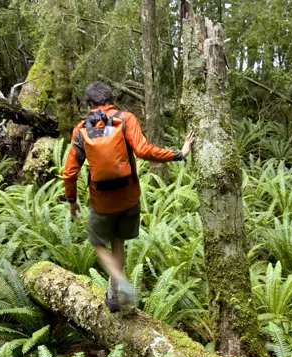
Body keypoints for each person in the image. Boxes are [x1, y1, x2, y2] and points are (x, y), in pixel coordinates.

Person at [63, 81, 194, 312]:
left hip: (101, 201)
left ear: (90, 104)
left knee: (96, 242)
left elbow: (70, 172)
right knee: (118, 241)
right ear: (110, 100)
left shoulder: (81, 130)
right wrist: (179, 153)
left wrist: (72, 201)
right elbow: (144, 151)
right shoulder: (126, 119)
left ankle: (119, 281)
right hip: (129, 197)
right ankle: (114, 294)